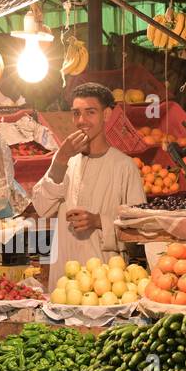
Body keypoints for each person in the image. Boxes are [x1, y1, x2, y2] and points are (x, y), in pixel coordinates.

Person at [31, 82, 146, 289]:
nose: (81, 121)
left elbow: (139, 233)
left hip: (107, 284)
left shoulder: (124, 166)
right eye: (76, 113)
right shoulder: (66, 160)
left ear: (107, 114)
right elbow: (41, 207)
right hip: (63, 282)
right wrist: (61, 160)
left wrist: (99, 221)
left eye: (90, 112)